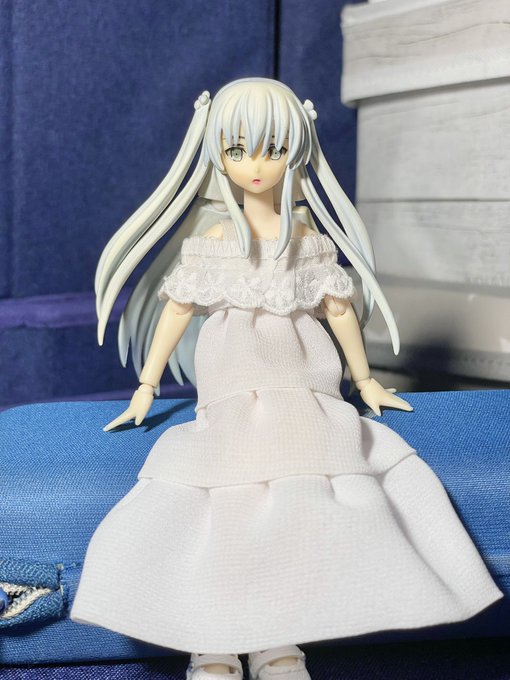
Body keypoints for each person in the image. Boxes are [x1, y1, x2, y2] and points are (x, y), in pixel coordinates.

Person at [70, 78, 503, 680]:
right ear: (217, 153)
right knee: (223, 495)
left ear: (296, 151)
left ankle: (277, 636)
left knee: (299, 500)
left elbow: (338, 310)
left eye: (272, 149)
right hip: (231, 391)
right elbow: (177, 309)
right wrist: (147, 385)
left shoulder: (306, 241)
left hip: (302, 390)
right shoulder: (214, 243)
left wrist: (364, 380)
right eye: (238, 149)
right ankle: (213, 639)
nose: (255, 166)